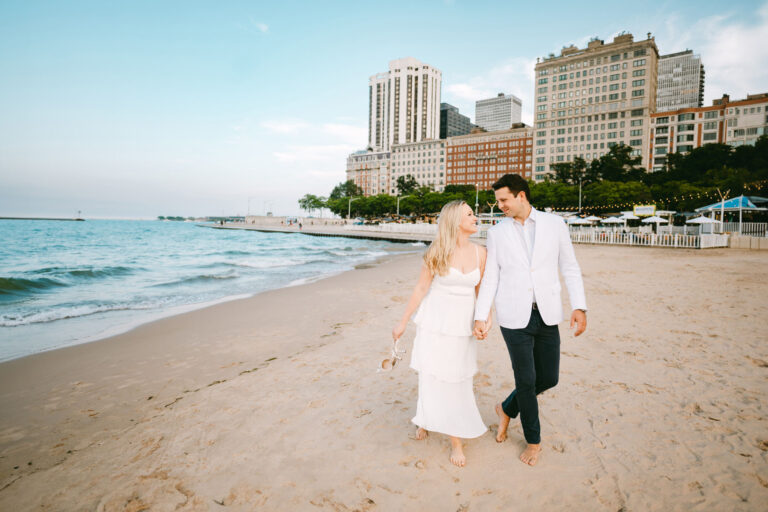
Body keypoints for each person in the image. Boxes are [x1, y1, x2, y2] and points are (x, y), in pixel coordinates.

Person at [474, 173, 587, 467]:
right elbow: (491, 278)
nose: (500, 206)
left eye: (504, 200)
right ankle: (533, 442)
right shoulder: (498, 233)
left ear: (521, 195)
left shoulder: (555, 224)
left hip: (547, 312)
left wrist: (580, 306)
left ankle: (506, 408)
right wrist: (480, 316)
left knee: (548, 377)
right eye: (498, 201)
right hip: (513, 316)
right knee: (526, 381)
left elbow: (570, 267)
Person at [392, 200, 492, 467]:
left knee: (456, 378)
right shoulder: (437, 250)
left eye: (473, 213)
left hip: (462, 326)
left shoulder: (481, 253)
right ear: (455, 221)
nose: (475, 217)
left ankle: (446, 429)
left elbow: (482, 291)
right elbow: (421, 289)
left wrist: (485, 319)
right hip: (435, 323)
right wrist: (402, 322)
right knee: (432, 374)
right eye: (469, 214)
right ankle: (435, 427)